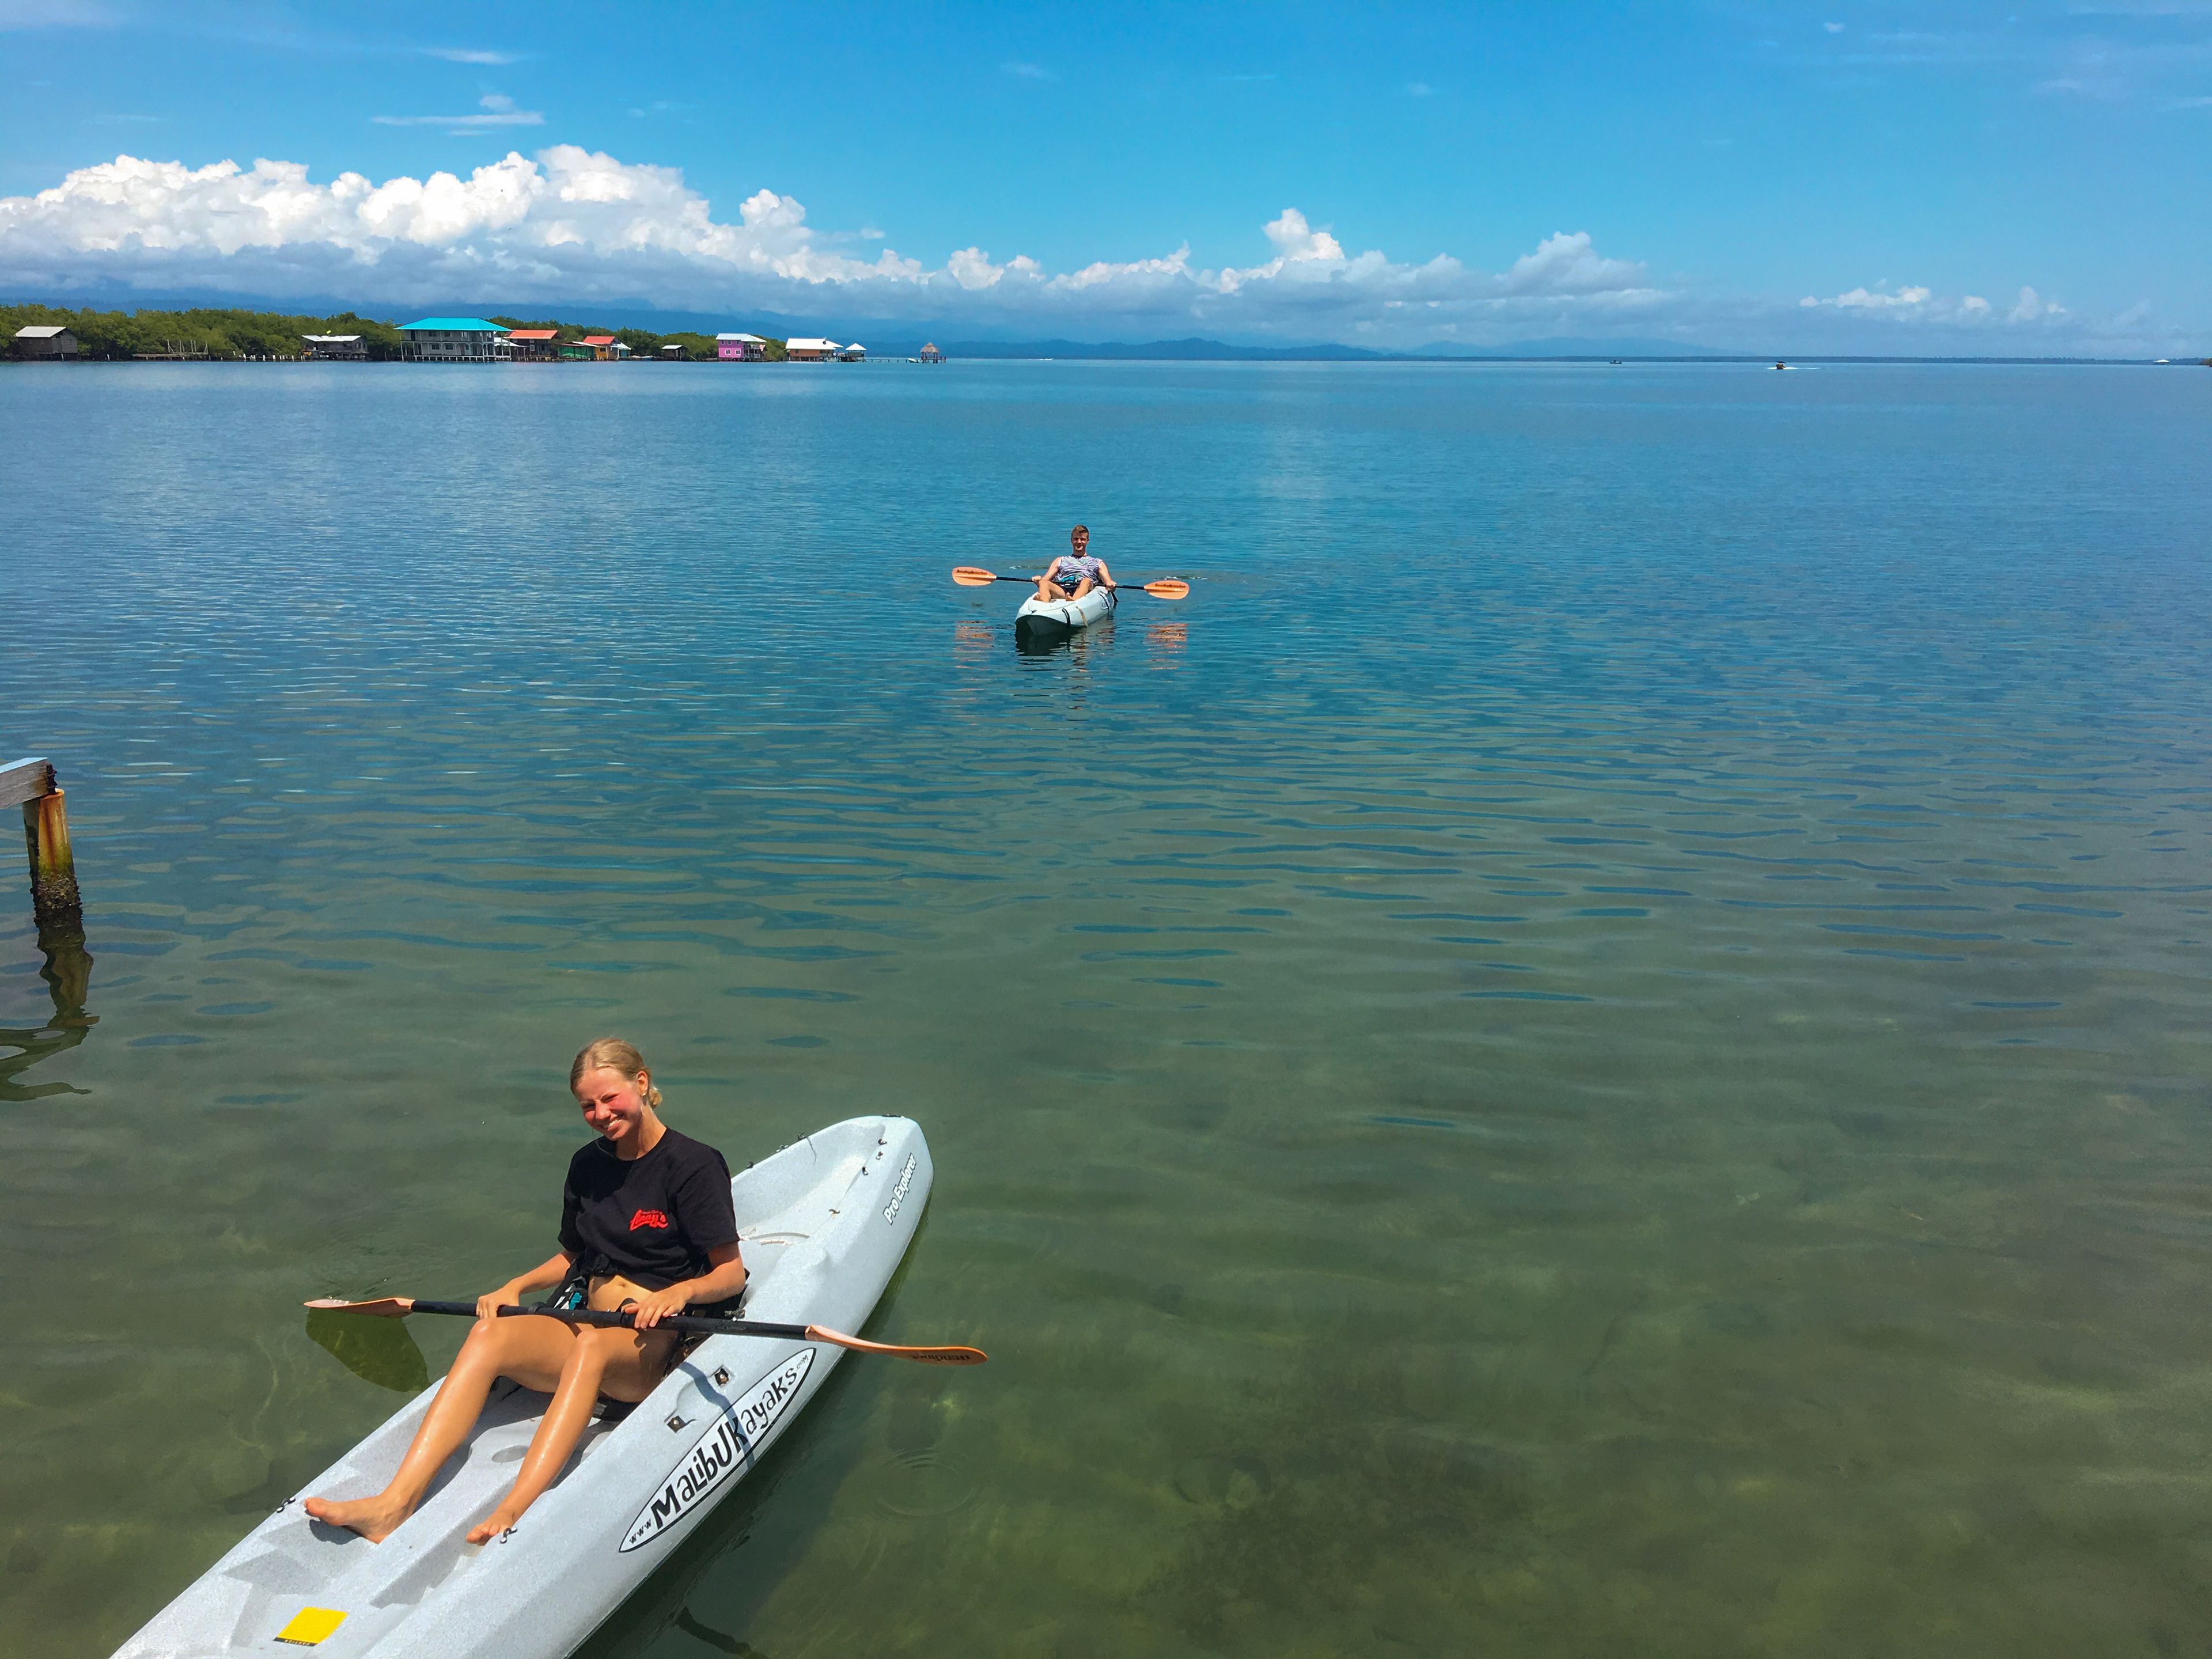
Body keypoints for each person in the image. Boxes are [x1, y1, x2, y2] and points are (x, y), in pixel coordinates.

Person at [303, 1039, 746, 1545]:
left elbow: (730, 1274)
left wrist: (680, 1293)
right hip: (589, 1324)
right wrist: (515, 1286)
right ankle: (393, 1505)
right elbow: (572, 1255)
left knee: (591, 1347)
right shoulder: (588, 1165)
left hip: (648, 1348)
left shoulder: (693, 1165)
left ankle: (515, 1507)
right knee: (490, 1334)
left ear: (641, 1084)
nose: (601, 1114)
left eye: (610, 1099)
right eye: (588, 1106)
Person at [1032, 524, 1115, 605]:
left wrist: (1111, 585)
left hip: (1084, 589)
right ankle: (1043, 602)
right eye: (1076, 539)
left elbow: (1109, 583)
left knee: (1087, 581)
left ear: (1087, 541)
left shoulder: (1097, 562)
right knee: (1044, 582)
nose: (1079, 542)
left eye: (1082, 539)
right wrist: (1038, 580)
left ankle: (1073, 602)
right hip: (1063, 590)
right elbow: (1045, 580)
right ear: (1071, 540)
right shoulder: (1060, 560)